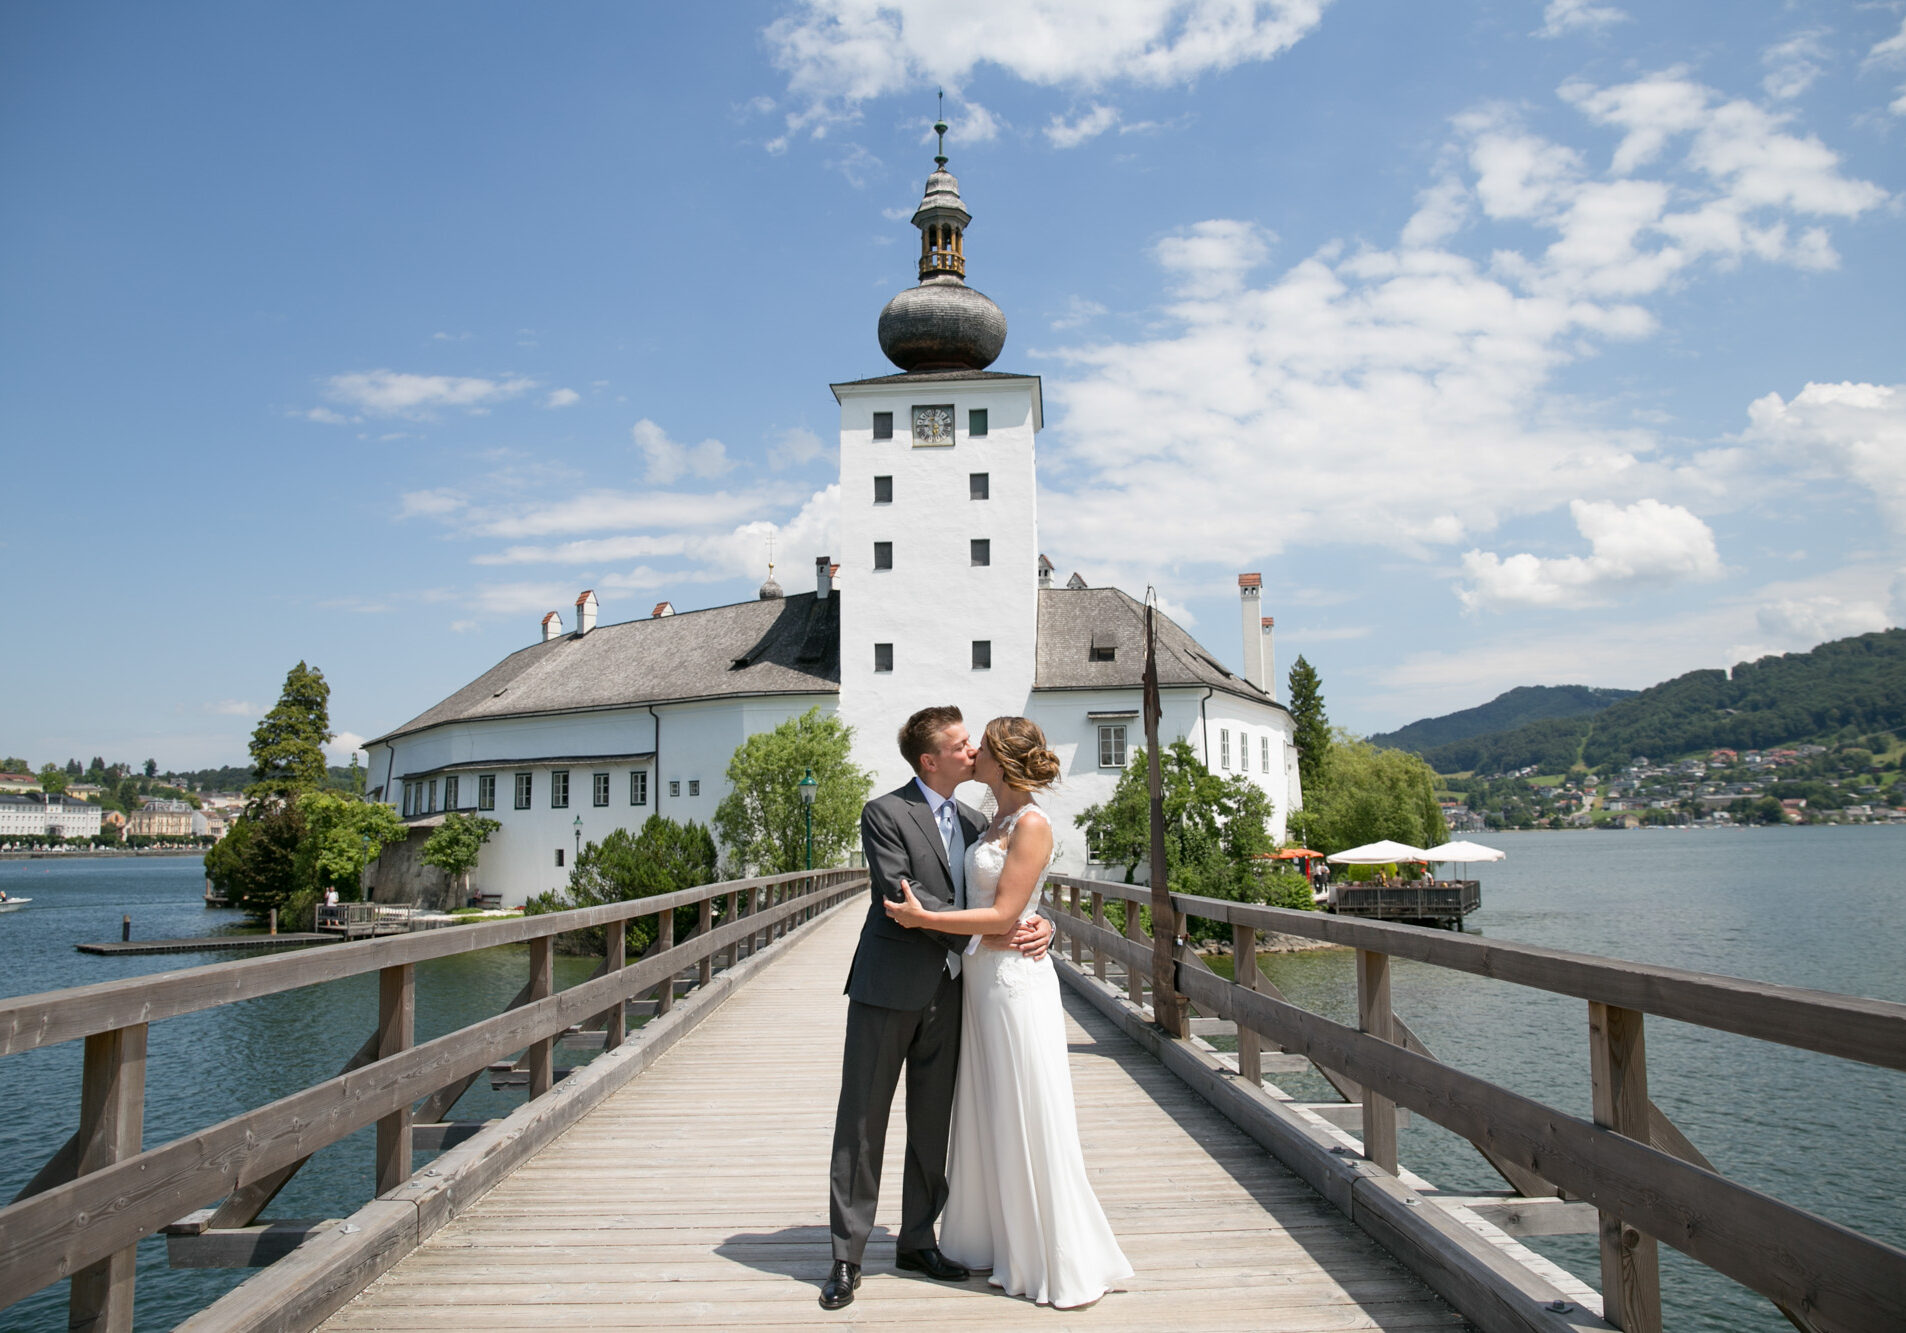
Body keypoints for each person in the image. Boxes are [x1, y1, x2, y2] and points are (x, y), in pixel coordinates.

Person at [884, 716, 1133, 1308]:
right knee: (987, 1107)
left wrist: (928, 921)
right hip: (978, 985)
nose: (971, 755)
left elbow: (1002, 916)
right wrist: (1031, 919)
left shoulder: (1032, 824)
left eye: (981, 749)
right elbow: (997, 903)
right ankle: (993, 1240)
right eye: (966, 747)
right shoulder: (985, 821)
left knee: (1026, 1106)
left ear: (1002, 761)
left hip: (1016, 986)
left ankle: (1047, 1254)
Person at [822, 706, 1055, 1311]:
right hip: (888, 986)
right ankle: (847, 1257)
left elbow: (1005, 889)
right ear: (931, 760)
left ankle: (918, 1239)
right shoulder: (885, 812)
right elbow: (904, 895)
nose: (972, 749)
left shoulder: (985, 818)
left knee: (933, 1121)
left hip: (955, 991)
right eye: (960, 743)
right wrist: (988, 932)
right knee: (864, 1120)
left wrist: (1037, 922)